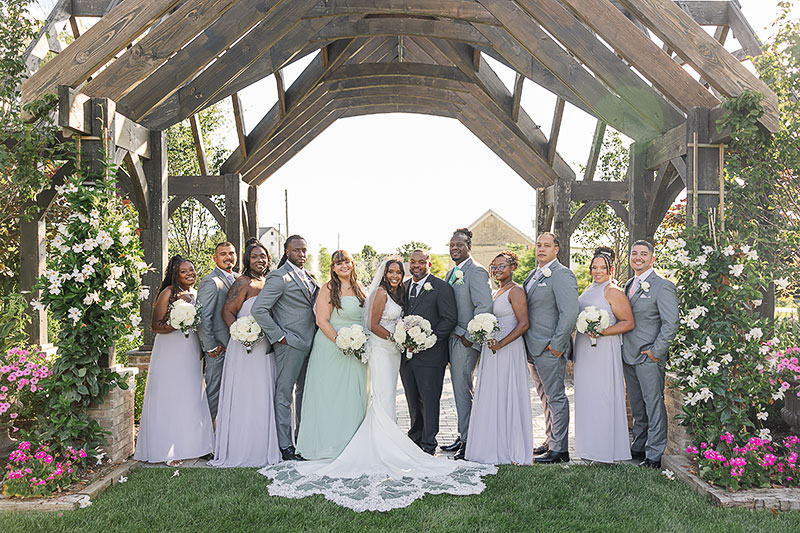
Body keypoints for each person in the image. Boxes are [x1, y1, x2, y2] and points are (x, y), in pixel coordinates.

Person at [257, 258, 497, 513]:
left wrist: (406, 337)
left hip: (394, 350)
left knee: (379, 395)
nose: (395, 275)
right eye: (391, 271)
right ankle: (383, 445)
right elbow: (371, 324)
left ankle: (387, 440)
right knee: (381, 395)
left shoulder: (395, 290)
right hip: (382, 349)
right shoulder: (380, 292)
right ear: (384, 273)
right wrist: (397, 337)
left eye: (398, 272)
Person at [134, 256, 214, 466]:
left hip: (190, 350)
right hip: (170, 350)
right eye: (184, 271)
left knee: (190, 396)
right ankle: (168, 450)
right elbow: (156, 325)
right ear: (175, 274)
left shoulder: (196, 294)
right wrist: (178, 323)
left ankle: (193, 446)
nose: (190, 274)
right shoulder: (168, 293)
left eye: (192, 270)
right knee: (169, 396)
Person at [209, 239, 281, 468]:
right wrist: (241, 334)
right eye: (254, 256)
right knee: (244, 395)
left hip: (265, 350)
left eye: (263, 256)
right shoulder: (243, 282)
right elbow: (228, 312)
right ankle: (241, 448)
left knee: (262, 395)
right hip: (245, 349)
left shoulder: (272, 281)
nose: (260, 260)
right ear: (248, 260)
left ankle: (262, 446)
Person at [295, 250, 368, 460]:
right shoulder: (328, 288)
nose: (343, 265)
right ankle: (328, 444)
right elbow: (321, 321)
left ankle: (350, 444)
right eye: (338, 263)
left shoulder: (360, 287)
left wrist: (358, 342)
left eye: (346, 261)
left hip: (356, 349)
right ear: (333, 268)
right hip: (331, 346)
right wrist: (341, 341)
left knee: (353, 396)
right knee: (330, 396)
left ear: (352, 264)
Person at [251, 235, 318, 461]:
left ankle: (302, 439)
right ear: (286, 251)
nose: (301, 254)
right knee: (284, 395)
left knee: (305, 394)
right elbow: (259, 309)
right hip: (290, 344)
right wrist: (280, 337)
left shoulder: (308, 276)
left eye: (304, 250)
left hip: (311, 343)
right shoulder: (279, 277)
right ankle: (285, 446)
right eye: (296, 250)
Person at [465, 251, 532, 465]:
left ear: (513, 267)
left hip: (508, 350)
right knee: (493, 394)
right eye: (494, 266)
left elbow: (523, 324)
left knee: (507, 392)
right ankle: (492, 445)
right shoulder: (495, 292)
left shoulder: (516, 291)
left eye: (502, 266)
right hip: (492, 350)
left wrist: (502, 344)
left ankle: (510, 448)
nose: (497, 270)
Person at [573, 247, 635, 463]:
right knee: (587, 396)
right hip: (585, 349)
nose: (598, 271)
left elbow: (628, 322)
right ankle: (588, 447)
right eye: (594, 267)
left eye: (603, 268)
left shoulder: (612, 291)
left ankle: (604, 449)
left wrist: (602, 331)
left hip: (603, 349)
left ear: (611, 269)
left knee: (602, 396)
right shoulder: (590, 288)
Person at [522, 232, 578, 464]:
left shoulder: (562, 274)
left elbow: (569, 313)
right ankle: (550, 440)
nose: (541, 249)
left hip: (549, 349)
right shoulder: (533, 274)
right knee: (545, 398)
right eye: (538, 245)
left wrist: (556, 346)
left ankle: (560, 450)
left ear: (557, 249)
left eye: (547, 245)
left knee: (556, 398)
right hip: (533, 349)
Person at [622, 240, 679, 469]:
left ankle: (654, 454)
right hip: (628, 355)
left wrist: (656, 352)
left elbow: (671, 322)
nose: (638, 257)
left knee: (653, 404)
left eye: (643, 254)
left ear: (652, 259)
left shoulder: (662, 286)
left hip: (648, 356)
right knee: (636, 405)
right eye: (634, 253)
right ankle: (639, 445)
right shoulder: (629, 284)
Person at [399, 249, 457, 455]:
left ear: (428, 263)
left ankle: (429, 443)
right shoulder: (403, 287)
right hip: (407, 357)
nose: (416, 265)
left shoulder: (441, 288)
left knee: (430, 400)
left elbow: (449, 319)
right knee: (412, 400)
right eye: (412, 262)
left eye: (421, 262)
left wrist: (427, 340)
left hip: (432, 356)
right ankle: (414, 438)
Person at [443, 228, 492, 460]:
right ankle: (464, 433)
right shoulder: (451, 272)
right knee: (459, 390)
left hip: (465, 340)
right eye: (452, 245)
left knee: (464, 390)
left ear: (469, 247)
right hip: (451, 339)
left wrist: (469, 337)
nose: (455, 248)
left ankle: (469, 441)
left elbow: (484, 307)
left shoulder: (477, 272)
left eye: (459, 245)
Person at [197, 241, 238, 422]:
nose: (228, 257)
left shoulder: (238, 279)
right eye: (223, 254)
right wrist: (211, 347)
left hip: (236, 348)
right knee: (213, 393)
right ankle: (204, 441)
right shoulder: (210, 281)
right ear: (215, 258)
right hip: (219, 350)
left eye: (231, 253)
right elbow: (203, 317)